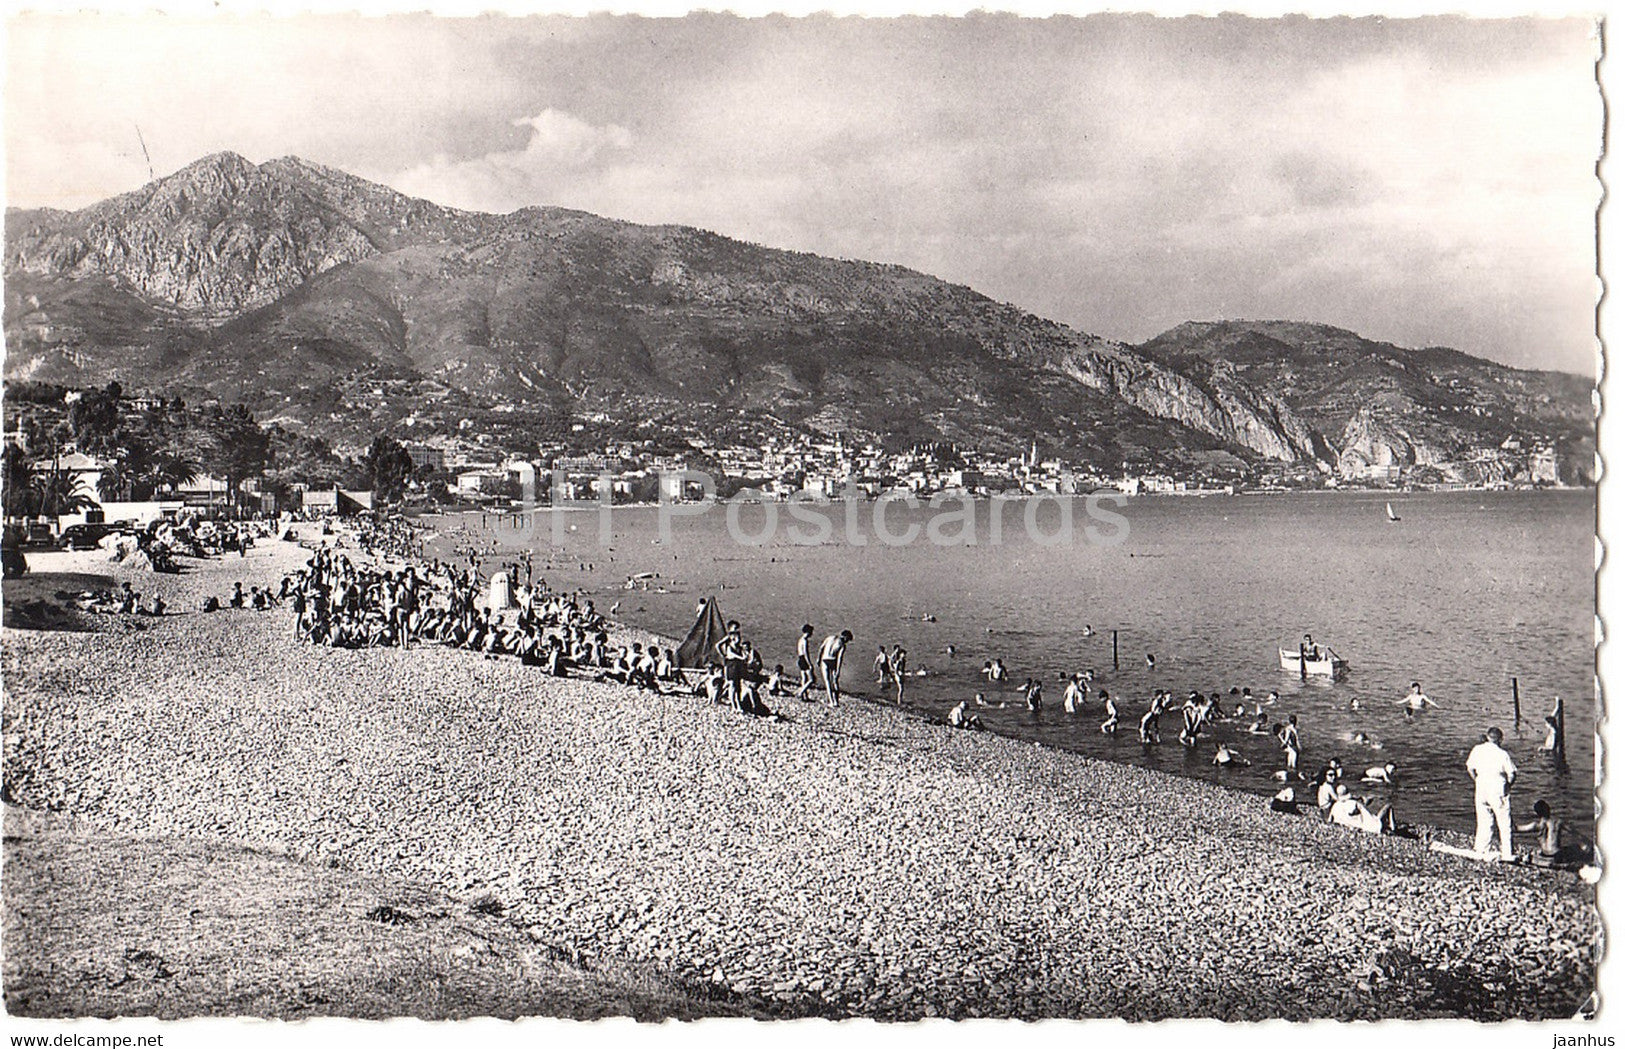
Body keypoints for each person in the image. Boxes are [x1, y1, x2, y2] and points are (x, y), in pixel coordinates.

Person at [1466, 726, 1518, 861]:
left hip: (1482, 786)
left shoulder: (1477, 749)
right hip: (1497, 787)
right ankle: (1507, 852)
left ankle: (1481, 848)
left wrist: (1476, 779)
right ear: (1500, 739)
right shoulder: (1502, 754)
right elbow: (1512, 774)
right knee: (1504, 822)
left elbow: (1470, 768)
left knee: (1484, 820)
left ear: (1488, 737)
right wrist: (1508, 785)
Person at [1327, 783, 1395, 835]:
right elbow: (1365, 813)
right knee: (1388, 806)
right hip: (1367, 826)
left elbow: (1330, 820)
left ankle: (1389, 827)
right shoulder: (1354, 803)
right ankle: (1393, 828)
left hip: (1349, 825)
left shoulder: (1335, 806)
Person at [1516, 800, 1566, 868]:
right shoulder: (1558, 822)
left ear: (1537, 813)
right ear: (1548, 809)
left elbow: (1517, 829)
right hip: (1557, 856)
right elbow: (1575, 833)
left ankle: (1543, 862)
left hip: (1545, 855)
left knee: (1532, 854)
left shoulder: (1536, 825)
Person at [819, 629, 852, 706]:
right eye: (848, 639)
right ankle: (836, 701)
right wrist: (838, 671)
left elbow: (821, 648)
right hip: (833, 661)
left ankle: (831, 701)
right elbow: (839, 659)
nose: (847, 642)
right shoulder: (842, 645)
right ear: (845, 637)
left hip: (824, 660)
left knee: (827, 682)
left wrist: (818, 658)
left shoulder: (829, 638)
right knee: (835, 682)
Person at [793, 624, 816, 700]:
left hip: (800, 658)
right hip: (804, 660)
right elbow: (806, 653)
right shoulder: (805, 641)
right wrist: (810, 664)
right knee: (812, 679)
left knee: (804, 678)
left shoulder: (800, 640)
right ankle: (801, 692)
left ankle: (804, 696)